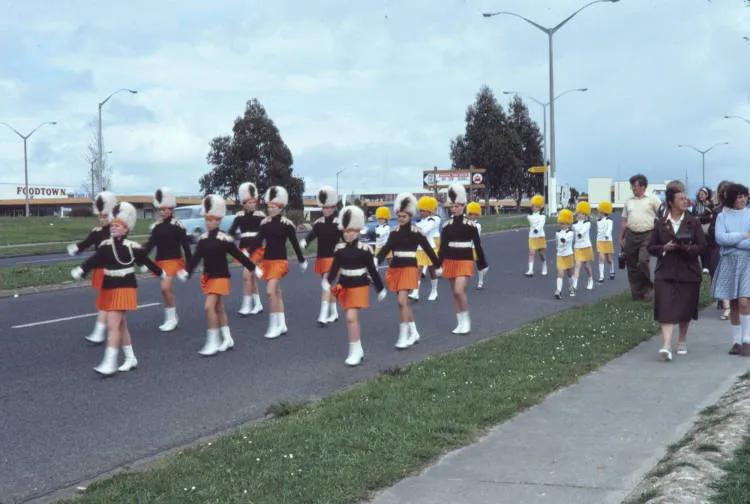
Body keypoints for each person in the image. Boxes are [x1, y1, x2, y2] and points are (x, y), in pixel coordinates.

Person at [71, 202, 164, 376]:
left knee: (113, 325)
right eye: (112, 225)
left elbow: (146, 262)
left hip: (125, 287)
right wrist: (82, 270)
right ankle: (130, 358)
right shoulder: (106, 245)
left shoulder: (132, 247)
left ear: (126, 228)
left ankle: (110, 362)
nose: (113, 228)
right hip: (109, 287)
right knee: (121, 326)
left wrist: (160, 272)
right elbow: (95, 260)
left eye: (117, 225)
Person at [178, 195, 260, 356]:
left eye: (213, 220)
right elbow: (195, 259)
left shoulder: (224, 239)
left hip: (221, 277)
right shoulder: (202, 239)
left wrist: (253, 268)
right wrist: (187, 272)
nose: (209, 223)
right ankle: (228, 338)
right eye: (207, 220)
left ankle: (213, 341)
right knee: (219, 307)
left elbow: (239, 255)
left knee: (209, 307)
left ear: (219, 221)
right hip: (209, 277)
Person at [647, 186, 706, 361]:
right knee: (665, 305)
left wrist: (686, 247)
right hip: (666, 270)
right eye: (681, 199)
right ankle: (666, 344)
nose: (685, 201)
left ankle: (682, 340)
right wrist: (664, 248)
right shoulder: (660, 223)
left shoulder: (693, 222)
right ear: (670, 202)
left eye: (685, 198)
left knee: (685, 307)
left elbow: (702, 246)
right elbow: (651, 247)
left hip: (688, 270)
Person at [376, 193, 441, 349]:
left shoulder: (417, 232)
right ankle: (414, 333)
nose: (401, 218)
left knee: (401, 301)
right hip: (396, 269)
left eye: (404, 216)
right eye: (399, 216)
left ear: (410, 215)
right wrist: (375, 262)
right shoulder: (394, 232)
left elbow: (428, 250)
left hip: (409, 268)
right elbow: (386, 249)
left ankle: (403, 336)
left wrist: (438, 265)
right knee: (403, 304)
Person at [324, 205, 386, 366]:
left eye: (351, 231)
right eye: (345, 231)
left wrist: (380, 288)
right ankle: (356, 348)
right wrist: (328, 281)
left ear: (358, 231)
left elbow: (372, 271)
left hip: (359, 286)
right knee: (349, 319)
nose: (348, 234)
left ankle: (356, 352)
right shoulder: (339, 249)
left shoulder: (365, 250)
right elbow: (335, 268)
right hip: (344, 286)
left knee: (351, 317)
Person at [248, 186, 307, 339]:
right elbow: (258, 240)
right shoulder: (265, 223)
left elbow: (294, 243)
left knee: (269, 291)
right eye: (269, 207)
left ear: (280, 207)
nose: (271, 209)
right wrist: (247, 252)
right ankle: (282, 324)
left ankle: (274, 325)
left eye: (274, 207)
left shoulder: (287, 225)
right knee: (277, 292)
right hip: (267, 261)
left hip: (280, 262)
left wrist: (301, 260)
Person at [66, 191, 118, 344]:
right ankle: (105, 330)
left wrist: (83, 269)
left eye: (104, 216)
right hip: (100, 271)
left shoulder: (116, 232)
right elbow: (86, 243)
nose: (101, 219)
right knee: (107, 303)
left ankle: (100, 332)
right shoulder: (96, 232)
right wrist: (76, 248)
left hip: (113, 271)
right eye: (100, 216)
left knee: (105, 302)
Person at [438, 183, 488, 335]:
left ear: (463, 206)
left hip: (465, 260)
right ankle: (459, 322)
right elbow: (443, 247)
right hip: (450, 261)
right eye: (452, 206)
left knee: (459, 291)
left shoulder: (470, 225)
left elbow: (478, 246)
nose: (454, 208)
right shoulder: (446, 226)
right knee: (454, 292)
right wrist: (438, 264)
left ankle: (466, 320)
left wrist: (481, 264)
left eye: (457, 206)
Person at [142, 187, 192, 332]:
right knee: (165, 290)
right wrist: (143, 258)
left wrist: (189, 267)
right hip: (160, 262)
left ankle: (172, 318)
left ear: (171, 209)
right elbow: (150, 245)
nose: (163, 212)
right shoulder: (156, 227)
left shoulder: (178, 226)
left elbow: (186, 247)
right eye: (161, 210)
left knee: (165, 287)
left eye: (165, 209)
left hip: (174, 261)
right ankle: (170, 316)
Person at [711, 183, 750, 356]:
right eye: (739, 196)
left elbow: (729, 242)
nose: (742, 200)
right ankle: (736, 342)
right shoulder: (722, 217)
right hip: (729, 262)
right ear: (732, 198)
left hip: (747, 261)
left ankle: (747, 340)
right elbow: (720, 238)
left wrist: (733, 243)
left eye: (744, 196)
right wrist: (744, 235)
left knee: (744, 300)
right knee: (733, 302)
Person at [300, 186, 342, 327]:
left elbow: (346, 239)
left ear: (334, 207)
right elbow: (312, 235)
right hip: (321, 258)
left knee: (326, 284)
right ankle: (334, 312)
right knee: (328, 286)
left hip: (334, 259)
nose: (327, 210)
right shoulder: (318, 223)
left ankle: (323, 315)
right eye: (324, 207)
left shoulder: (338, 223)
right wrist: (305, 241)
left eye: (329, 207)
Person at [619, 174, 661, 301]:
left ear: (643, 186)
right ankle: (637, 294)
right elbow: (624, 221)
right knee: (631, 265)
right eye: (632, 186)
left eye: (635, 186)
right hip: (631, 234)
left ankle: (647, 287)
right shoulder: (629, 202)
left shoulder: (652, 199)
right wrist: (621, 238)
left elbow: (662, 213)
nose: (633, 188)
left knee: (642, 261)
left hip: (647, 234)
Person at [228, 182, 266, 316]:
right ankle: (258, 304)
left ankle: (246, 305)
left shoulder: (261, 215)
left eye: (253, 202)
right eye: (249, 203)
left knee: (246, 275)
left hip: (256, 249)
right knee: (251, 277)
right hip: (243, 249)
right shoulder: (239, 216)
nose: (252, 205)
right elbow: (231, 231)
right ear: (243, 203)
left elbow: (264, 233)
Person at [707, 181, 733, 320]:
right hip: (719, 246)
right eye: (723, 192)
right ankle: (725, 305)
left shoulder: (743, 211)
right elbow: (711, 230)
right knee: (719, 274)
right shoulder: (717, 211)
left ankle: (731, 305)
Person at [411, 196, 441, 301]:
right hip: (420, 249)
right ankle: (415, 292)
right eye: (420, 210)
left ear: (429, 211)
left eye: (423, 211)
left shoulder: (434, 220)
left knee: (432, 271)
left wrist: (415, 229)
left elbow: (424, 231)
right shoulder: (419, 221)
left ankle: (434, 291)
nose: (421, 212)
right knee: (417, 270)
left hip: (430, 248)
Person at [572, 201, 594, 292]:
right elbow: (573, 234)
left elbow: (584, 230)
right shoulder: (574, 224)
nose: (581, 215)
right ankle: (574, 284)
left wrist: (580, 233)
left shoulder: (587, 223)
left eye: (583, 214)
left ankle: (590, 279)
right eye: (580, 213)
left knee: (586, 266)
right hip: (577, 247)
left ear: (586, 215)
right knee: (577, 265)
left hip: (586, 246)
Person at [554, 209, 576, 299]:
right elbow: (557, 243)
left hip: (568, 255)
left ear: (568, 224)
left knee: (570, 273)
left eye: (564, 224)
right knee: (560, 272)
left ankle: (571, 288)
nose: (562, 225)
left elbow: (566, 239)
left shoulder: (570, 233)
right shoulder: (557, 232)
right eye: (561, 223)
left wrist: (563, 240)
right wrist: (558, 249)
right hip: (560, 255)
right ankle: (558, 291)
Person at [525, 194, 547, 277]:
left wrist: (537, 228)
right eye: (533, 206)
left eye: (537, 206)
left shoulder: (543, 216)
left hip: (540, 236)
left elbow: (541, 224)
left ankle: (544, 265)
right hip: (532, 236)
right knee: (531, 252)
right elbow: (531, 222)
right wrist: (534, 228)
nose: (535, 208)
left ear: (540, 207)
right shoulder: (529, 217)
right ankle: (530, 270)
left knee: (541, 253)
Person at [466, 202, 486, 289]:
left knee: (479, 265)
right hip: (467, 247)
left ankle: (480, 281)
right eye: (470, 214)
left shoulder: (478, 225)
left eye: (473, 214)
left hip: (476, 247)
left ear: (477, 215)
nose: (471, 216)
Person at [596, 201, 615, 283]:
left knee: (609, 259)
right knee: (601, 257)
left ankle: (612, 269)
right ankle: (601, 276)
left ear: (604, 212)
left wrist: (607, 234)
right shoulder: (598, 221)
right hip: (600, 241)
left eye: (599, 211)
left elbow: (609, 228)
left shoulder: (609, 220)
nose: (598, 213)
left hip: (608, 241)